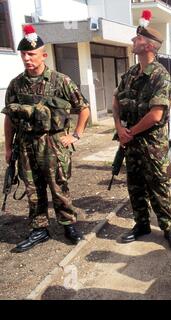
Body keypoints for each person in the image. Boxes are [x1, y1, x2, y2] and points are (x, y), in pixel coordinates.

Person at [2, 25, 90, 252]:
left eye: (31, 54)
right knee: (33, 188)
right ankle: (39, 229)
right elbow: (9, 118)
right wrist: (8, 148)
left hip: (53, 143)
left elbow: (84, 109)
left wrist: (76, 135)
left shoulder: (61, 81)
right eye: (23, 54)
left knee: (59, 185)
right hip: (25, 144)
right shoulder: (16, 84)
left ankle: (68, 225)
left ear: (43, 55)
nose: (26, 58)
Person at [112, 10, 171, 251]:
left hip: (153, 145)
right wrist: (119, 127)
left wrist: (129, 132)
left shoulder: (161, 76)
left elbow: (156, 115)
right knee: (135, 185)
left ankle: (168, 228)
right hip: (130, 143)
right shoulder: (130, 74)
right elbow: (116, 102)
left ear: (149, 45)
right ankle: (141, 224)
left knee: (158, 186)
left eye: (137, 39)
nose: (133, 41)